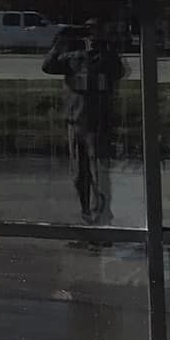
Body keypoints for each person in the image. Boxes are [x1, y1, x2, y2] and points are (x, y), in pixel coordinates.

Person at [43, 19, 125, 225]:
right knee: (79, 174)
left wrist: (105, 45)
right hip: (75, 121)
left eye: (94, 32)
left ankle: (100, 214)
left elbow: (118, 70)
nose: (90, 37)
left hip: (96, 123)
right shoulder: (73, 58)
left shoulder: (105, 57)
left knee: (98, 173)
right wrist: (62, 41)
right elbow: (48, 66)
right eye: (87, 32)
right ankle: (86, 212)